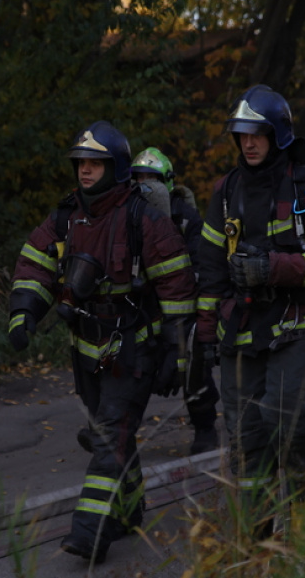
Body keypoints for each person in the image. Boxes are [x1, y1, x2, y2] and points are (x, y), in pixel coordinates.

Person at [7, 121, 197, 564]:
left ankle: (90, 532)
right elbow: (33, 263)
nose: (86, 171)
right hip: (86, 350)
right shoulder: (66, 215)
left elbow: (177, 286)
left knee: (109, 436)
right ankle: (129, 512)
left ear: (116, 167)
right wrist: (24, 313)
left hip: (133, 349)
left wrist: (177, 352)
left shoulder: (145, 219)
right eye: (81, 163)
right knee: (114, 434)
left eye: (95, 163)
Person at [195, 85, 305, 535]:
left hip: (296, 329)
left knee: (289, 421)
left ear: (278, 134)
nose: (248, 143)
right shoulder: (225, 193)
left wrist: (272, 268)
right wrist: (206, 335)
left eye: (257, 133)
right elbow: (209, 269)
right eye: (241, 134)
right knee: (246, 439)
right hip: (239, 334)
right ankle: (255, 539)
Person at [130, 147, 220, 454]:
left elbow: (200, 263)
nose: (144, 184)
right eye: (138, 177)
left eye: (151, 178)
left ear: (167, 181)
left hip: (182, 305)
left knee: (192, 366)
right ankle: (110, 430)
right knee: (125, 365)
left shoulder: (187, 217)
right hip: (142, 306)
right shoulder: (127, 214)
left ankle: (205, 428)